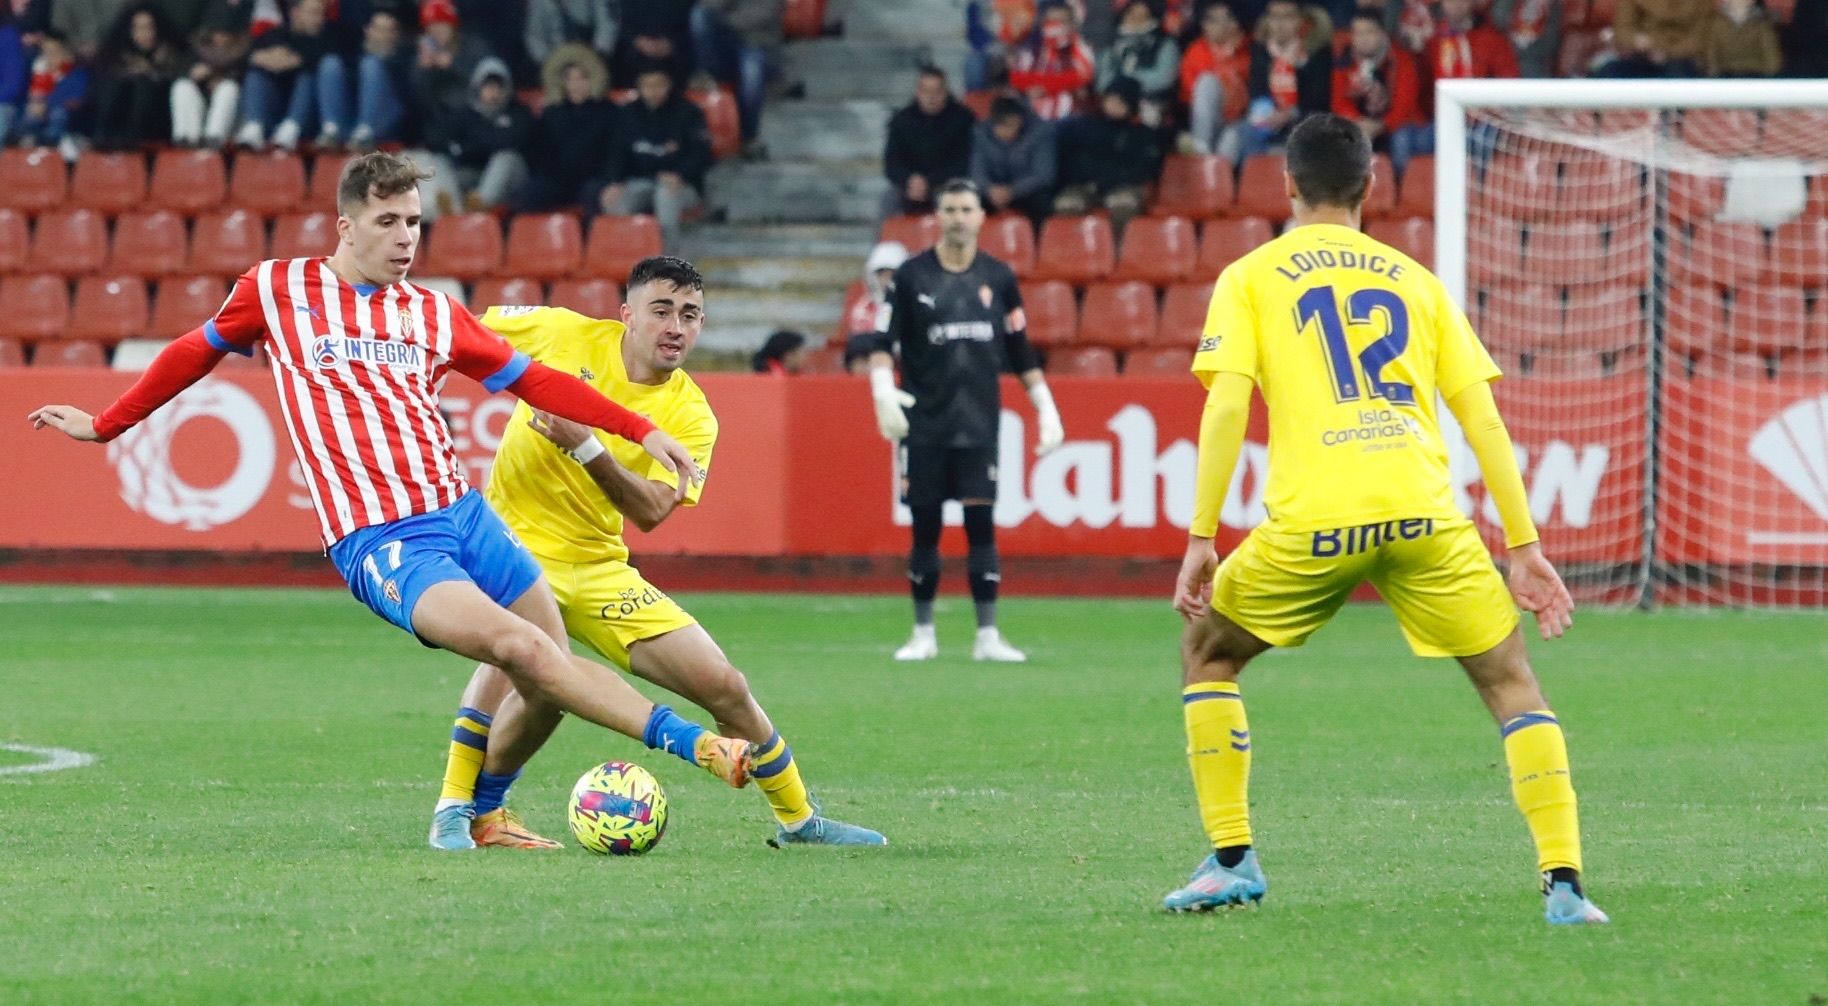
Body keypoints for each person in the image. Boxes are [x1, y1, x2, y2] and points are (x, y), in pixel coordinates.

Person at [30, 152, 755, 842]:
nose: (406, 237)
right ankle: (696, 748)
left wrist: (638, 428)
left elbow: (536, 380)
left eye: (413, 222)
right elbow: (197, 349)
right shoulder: (278, 289)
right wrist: (106, 425)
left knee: (546, 672)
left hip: (463, 514)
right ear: (346, 227)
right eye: (388, 222)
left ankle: (479, 816)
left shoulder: (433, 313)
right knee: (521, 647)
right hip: (383, 538)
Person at [1159, 114, 1607, 927]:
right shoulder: (1416, 281)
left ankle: (1232, 860)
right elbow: (1484, 424)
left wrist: (1201, 536)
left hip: (1319, 518)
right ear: (1372, 187)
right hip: (1424, 513)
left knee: (1207, 653)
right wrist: (1525, 545)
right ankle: (1566, 884)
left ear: (1286, 185)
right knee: (1512, 684)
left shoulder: (1253, 276)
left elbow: (1226, 408)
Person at [428, 261, 884, 850]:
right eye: (662, 310)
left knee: (723, 684)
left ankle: (799, 820)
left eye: (690, 315)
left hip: (596, 567)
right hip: (507, 546)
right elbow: (449, 329)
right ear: (627, 315)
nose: (676, 326)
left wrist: (587, 446)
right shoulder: (559, 332)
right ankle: (456, 810)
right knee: (528, 668)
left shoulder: (692, 417)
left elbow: (649, 512)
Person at [868, 179, 1065, 664]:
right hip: (926, 426)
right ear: (938, 216)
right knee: (925, 528)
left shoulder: (998, 278)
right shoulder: (911, 278)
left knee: (982, 527)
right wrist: (881, 391)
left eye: (967, 209)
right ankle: (923, 632)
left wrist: (1046, 407)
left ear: (981, 217)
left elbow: (1021, 350)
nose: (958, 217)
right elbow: (878, 344)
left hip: (979, 427)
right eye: (950, 208)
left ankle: (987, 636)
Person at [597, 67, 711, 240]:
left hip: (681, 184)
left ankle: (667, 256)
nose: (653, 91)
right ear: (639, 88)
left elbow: (701, 153)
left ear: (669, 85)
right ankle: (628, 252)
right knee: (615, 200)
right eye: (647, 86)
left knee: (666, 196)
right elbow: (615, 152)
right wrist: (614, 181)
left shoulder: (689, 112)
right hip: (639, 181)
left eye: (659, 85)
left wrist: (681, 175)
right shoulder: (627, 114)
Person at [419, 57, 531, 215]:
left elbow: (511, 141)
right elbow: (439, 138)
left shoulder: (518, 113)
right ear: (478, 88)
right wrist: (465, 148)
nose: (493, 92)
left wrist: (467, 147)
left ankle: (480, 204)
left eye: (498, 87)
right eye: (488, 87)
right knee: (437, 161)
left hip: (512, 177)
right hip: (475, 172)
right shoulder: (467, 114)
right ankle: (452, 209)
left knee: (505, 157)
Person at [1052, 76, 1161, 228]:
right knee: (1067, 204)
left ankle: (1119, 250)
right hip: (1086, 184)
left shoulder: (1142, 134)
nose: (1112, 106)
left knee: (1124, 205)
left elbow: (1144, 169)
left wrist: (1108, 178)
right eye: (1110, 100)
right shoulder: (1085, 125)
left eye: (1119, 102)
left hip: (1124, 186)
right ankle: (1073, 250)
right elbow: (1074, 160)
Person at [1234, 0, 1332, 161]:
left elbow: (1319, 97)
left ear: (1299, 20)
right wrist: (1268, 113)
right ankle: (1255, 180)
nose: (1279, 24)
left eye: (1287, 17)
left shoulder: (1316, 51)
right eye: (1274, 17)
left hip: (1303, 117)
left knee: (1311, 129)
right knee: (1243, 130)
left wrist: (1289, 114)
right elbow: (1257, 90)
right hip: (1269, 116)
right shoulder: (1261, 50)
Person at [518, 57, 618, 213]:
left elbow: (615, 151)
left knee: (594, 194)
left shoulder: (609, 111)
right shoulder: (552, 112)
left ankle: (592, 236)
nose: (576, 85)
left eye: (582, 78)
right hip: (558, 180)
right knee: (529, 195)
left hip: (594, 179)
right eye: (570, 79)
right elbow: (539, 150)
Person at [1331, 8, 1424, 171]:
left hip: (1396, 126)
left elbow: (1405, 105)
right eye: (1357, 33)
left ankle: (1401, 190)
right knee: (1336, 136)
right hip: (1360, 124)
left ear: (1382, 34)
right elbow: (1339, 102)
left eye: (1369, 32)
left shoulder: (1401, 59)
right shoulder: (1344, 60)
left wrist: (1380, 126)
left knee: (1402, 140)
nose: (1362, 39)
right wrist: (1358, 122)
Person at [232, 0, 333, 150]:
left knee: (306, 77)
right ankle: (254, 127)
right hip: (274, 110)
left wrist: (299, 61)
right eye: (314, 13)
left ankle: (291, 128)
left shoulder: (329, 38)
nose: (319, 19)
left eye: (321, 14)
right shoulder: (275, 34)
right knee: (256, 75)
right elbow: (245, 59)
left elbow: (324, 64)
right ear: (295, 13)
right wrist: (259, 58)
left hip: (310, 119)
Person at [882, 66, 977, 218]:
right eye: (926, 91)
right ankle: (884, 242)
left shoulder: (963, 119)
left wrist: (931, 181)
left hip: (946, 183)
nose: (931, 97)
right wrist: (910, 180)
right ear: (918, 92)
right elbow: (891, 163)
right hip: (911, 185)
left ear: (945, 92)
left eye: (937, 91)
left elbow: (966, 161)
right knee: (889, 198)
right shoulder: (902, 120)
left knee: (951, 198)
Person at [88, 3, 185, 150]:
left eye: (149, 27)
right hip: (118, 130)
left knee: (144, 86)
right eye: (138, 28)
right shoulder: (115, 59)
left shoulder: (173, 55)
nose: (144, 33)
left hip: (159, 127)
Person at [691, 0, 780, 156]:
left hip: (755, 44)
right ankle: (706, 73)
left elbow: (762, 14)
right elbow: (708, 6)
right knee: (699, 16)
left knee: (752, 74)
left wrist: (725, 19)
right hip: (722, 42)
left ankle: (749, 136)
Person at [316, 8, 410, 150]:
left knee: (371, 64)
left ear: (395, 34)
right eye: (377, 29)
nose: (381, 35)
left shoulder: (404, 59)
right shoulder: (354, 55)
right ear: (367, 30)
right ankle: (331, 130)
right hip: (352, 122)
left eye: (387, 30)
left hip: (386, 122)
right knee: (330, 62)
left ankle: (365, 132)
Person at [1178, 1, 1252, 158]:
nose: (1223, 25)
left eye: (1228, 19)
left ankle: (1215, 176)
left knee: (1231, 139)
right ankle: (1201, 149)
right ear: (1204, 25)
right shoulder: (1196, 52)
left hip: (1240, 121)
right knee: (1207, 81)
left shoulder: (1248, 50)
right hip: (1209, 121)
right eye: (1215, 20)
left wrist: (1233, 53)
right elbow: (1194, 96)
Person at [411, 0, 494, 136]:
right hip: (441, 125)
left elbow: (488, 78)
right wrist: (423, 70)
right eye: (431, 26)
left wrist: (454, 64)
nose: (437, 30)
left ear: (452, 25)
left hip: (476, 119)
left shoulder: (473, 45)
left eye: (442, 23)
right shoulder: (426, 53)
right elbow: (419, 97)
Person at [969, 96, 1057, 222]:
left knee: (1041, 202)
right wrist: (990, 189)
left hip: (1026, 190)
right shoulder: (980, 134)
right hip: (994, 190)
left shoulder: (1041, 132)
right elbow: (976, 172)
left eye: (1017, 124)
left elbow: (1044, 174)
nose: (1013, 130)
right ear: (994, 125)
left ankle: (1038, 240)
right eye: (1008, 126)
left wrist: (1013, 191)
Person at [1094, 0, 1179, 128]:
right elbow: (1102, 80)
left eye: (1139, 10)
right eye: (1130, 11)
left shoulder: (1164, 43)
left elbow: (1164, 78)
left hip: (1150, 102)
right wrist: (1118, 90)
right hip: (1114, 104)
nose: (1134, 15)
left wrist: (1129, 85)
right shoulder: (1111, 44)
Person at [169, 7, 247, 147]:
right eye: (217, 32)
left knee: (228, 88)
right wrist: (194, 75)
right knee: (182, 86)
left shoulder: (243, 51)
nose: (221, 37)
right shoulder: (196, 50)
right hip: (201, 110)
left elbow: (245, 78)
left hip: (234, 120)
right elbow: (179, 71)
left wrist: (218, 76)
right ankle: (186, 139)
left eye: (226, 33)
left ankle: (214, 139)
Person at [1008, 0, 1094, 120]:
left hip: (1069, 114)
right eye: (1053, 21)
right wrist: (1030, 87)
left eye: (1063, 21)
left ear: (1072, 23)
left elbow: (1082, 76)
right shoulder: (1033, 46)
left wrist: (1044, 86)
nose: (1057, 25)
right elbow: (1017, 77)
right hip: (1032, 113)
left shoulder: (1079, 46)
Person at [1599, 0, 1710, 77]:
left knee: (1678, 74)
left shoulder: (1700, 3)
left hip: (1682, 61)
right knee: (1608, 72)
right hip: (1643, 56)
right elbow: (1623, 30)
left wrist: (1665, 51)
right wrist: (1638, 41)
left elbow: (1701, 38)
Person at [844, 240, 908, 373]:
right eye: (882, 274)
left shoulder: (915, 304)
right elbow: (861, 347)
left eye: (892, 274)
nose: (887, 280)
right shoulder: (863, 309)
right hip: (875, 367)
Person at [1704, 0, 1782, 77]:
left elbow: (1772, 58)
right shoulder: (1714, 23)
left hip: (1755, 77)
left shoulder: (1762, 24)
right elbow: (1711, 56)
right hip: (1724, 78)